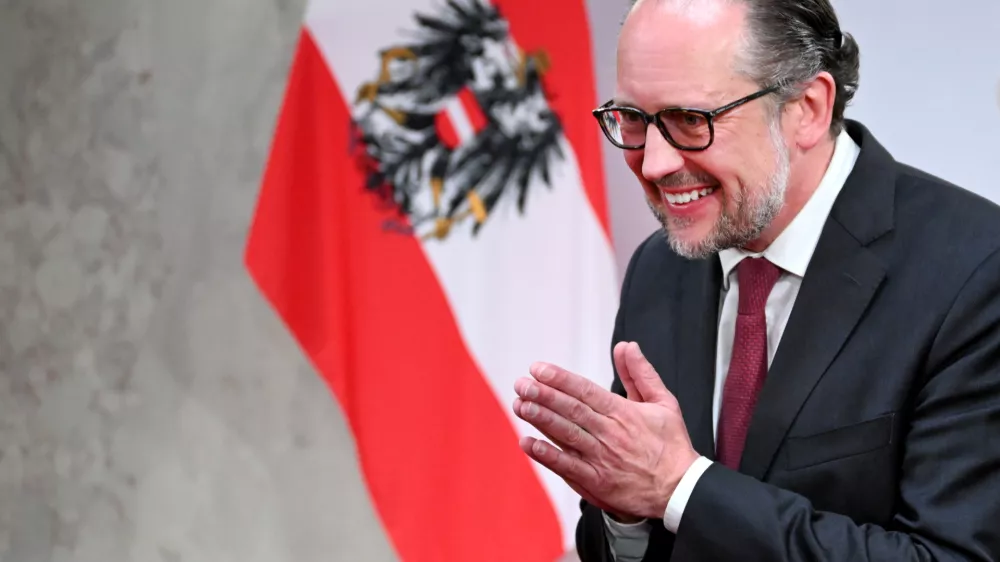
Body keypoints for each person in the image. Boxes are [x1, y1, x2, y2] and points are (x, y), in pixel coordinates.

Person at [511, 0, 1000, 560]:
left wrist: (680, 489)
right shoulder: (659, 266)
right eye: (633, 119)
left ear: (808, 110)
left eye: (690, 120)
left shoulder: (975, 273)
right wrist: (627, 511)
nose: (654, 164)